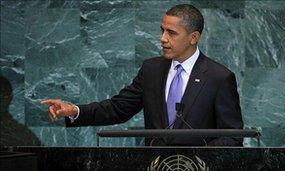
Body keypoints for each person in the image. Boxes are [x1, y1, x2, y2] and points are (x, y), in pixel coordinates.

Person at [42, 4, 243, 146]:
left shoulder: (219, 77)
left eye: (171, 33)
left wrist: (197, 158)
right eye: (162, 30)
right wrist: (75, 111)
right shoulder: (152, 70)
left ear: (194, 37)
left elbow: (232, 136)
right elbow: (118, 109)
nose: (162, 38)